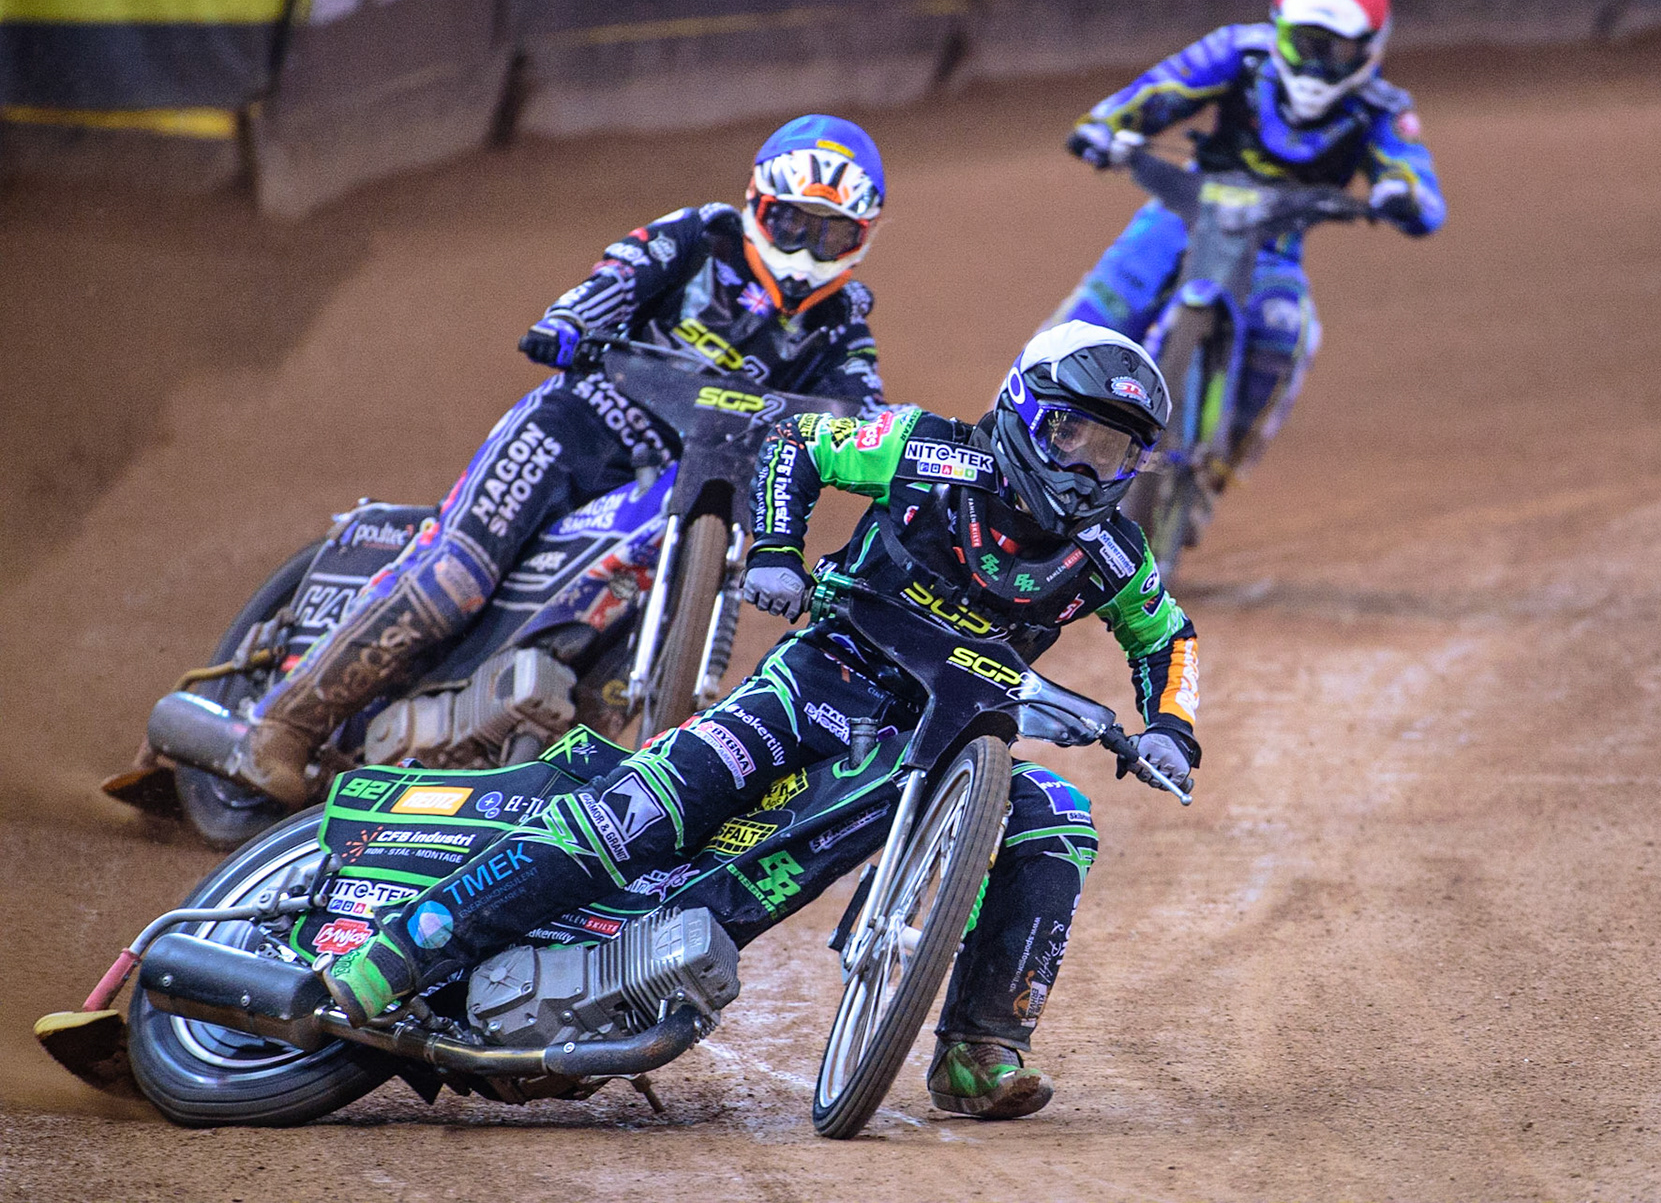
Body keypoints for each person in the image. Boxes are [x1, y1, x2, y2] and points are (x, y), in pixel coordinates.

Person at [322, 320, 1203, 1120]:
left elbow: (1171, 641)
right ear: (1021, 409)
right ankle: (408, 945)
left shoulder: (1113, 553)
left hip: (933, 740)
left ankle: (980, 1051)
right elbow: (801, 444)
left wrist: (1171, 725)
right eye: (1072, 434)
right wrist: (776, 552)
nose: (1087, 465)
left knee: (1057, 815)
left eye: (1114, 451)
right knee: (645, 810)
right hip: (814, 680)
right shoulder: (928, 450)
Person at [236, 114, 891, 806]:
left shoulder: (843, 329)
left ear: (863, 237)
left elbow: (864, 412)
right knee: (455, 573)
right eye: (793, 223)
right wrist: (572, 322)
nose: (807, 248)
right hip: (578, 431)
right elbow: (620, 272)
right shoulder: (701, 238)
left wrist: (890, 458)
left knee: (635, 637)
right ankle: (282, 723)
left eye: (829, 233)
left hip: (688, 485)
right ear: (759, 204)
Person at [1055, 0, 1445, 479]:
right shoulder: (1239, 51)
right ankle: (1011, 436)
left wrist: (1403, 196)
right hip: (1186, 214)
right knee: (1100, 311)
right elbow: (1160, 89)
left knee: (1287, 336)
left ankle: (1208, 474)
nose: (1316, 65)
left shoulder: (1382, 109)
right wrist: (1106, 126)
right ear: (1278, 28)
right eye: (1304, 44)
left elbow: (1416, 181)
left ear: (1370, 50)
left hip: (1273, 248)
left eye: (1335, 52)